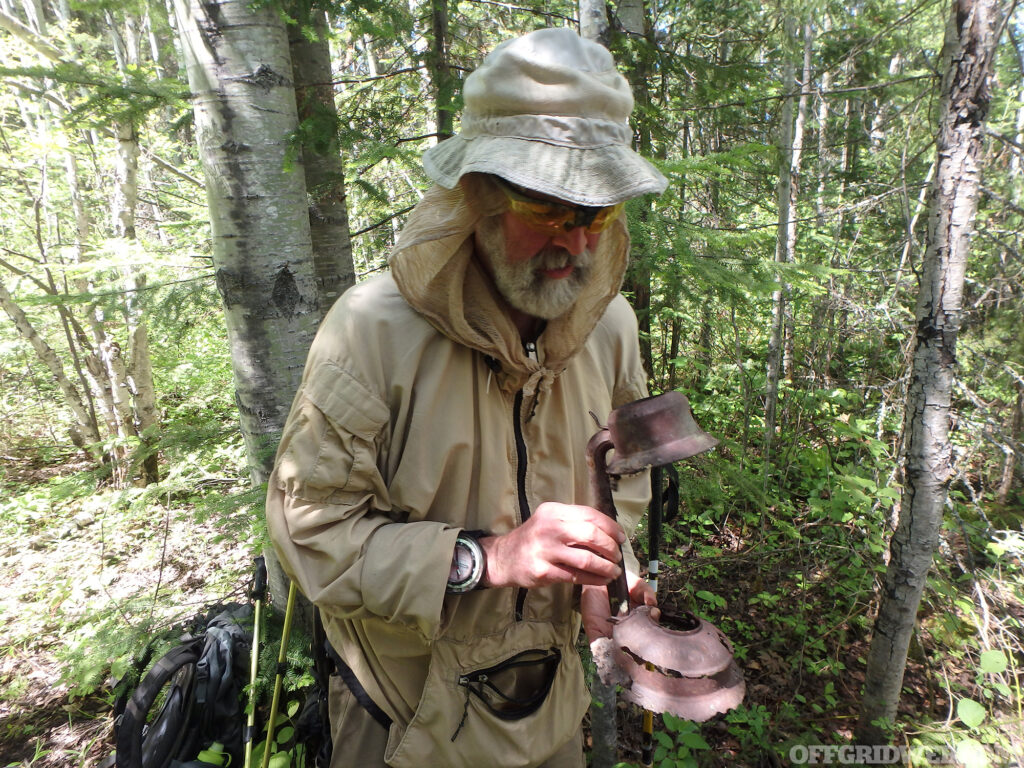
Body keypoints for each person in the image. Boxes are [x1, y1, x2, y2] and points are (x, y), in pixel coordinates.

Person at [266, 27, 668, 768]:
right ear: (477, 193)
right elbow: (309, 536)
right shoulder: (370, 332)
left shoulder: (611, 326)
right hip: (403, 719)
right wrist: (487, 559)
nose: (575, 246)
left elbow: (628, 475)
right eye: (549, 210)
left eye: (597, 215)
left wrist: (612, 567)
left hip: (552, 710)